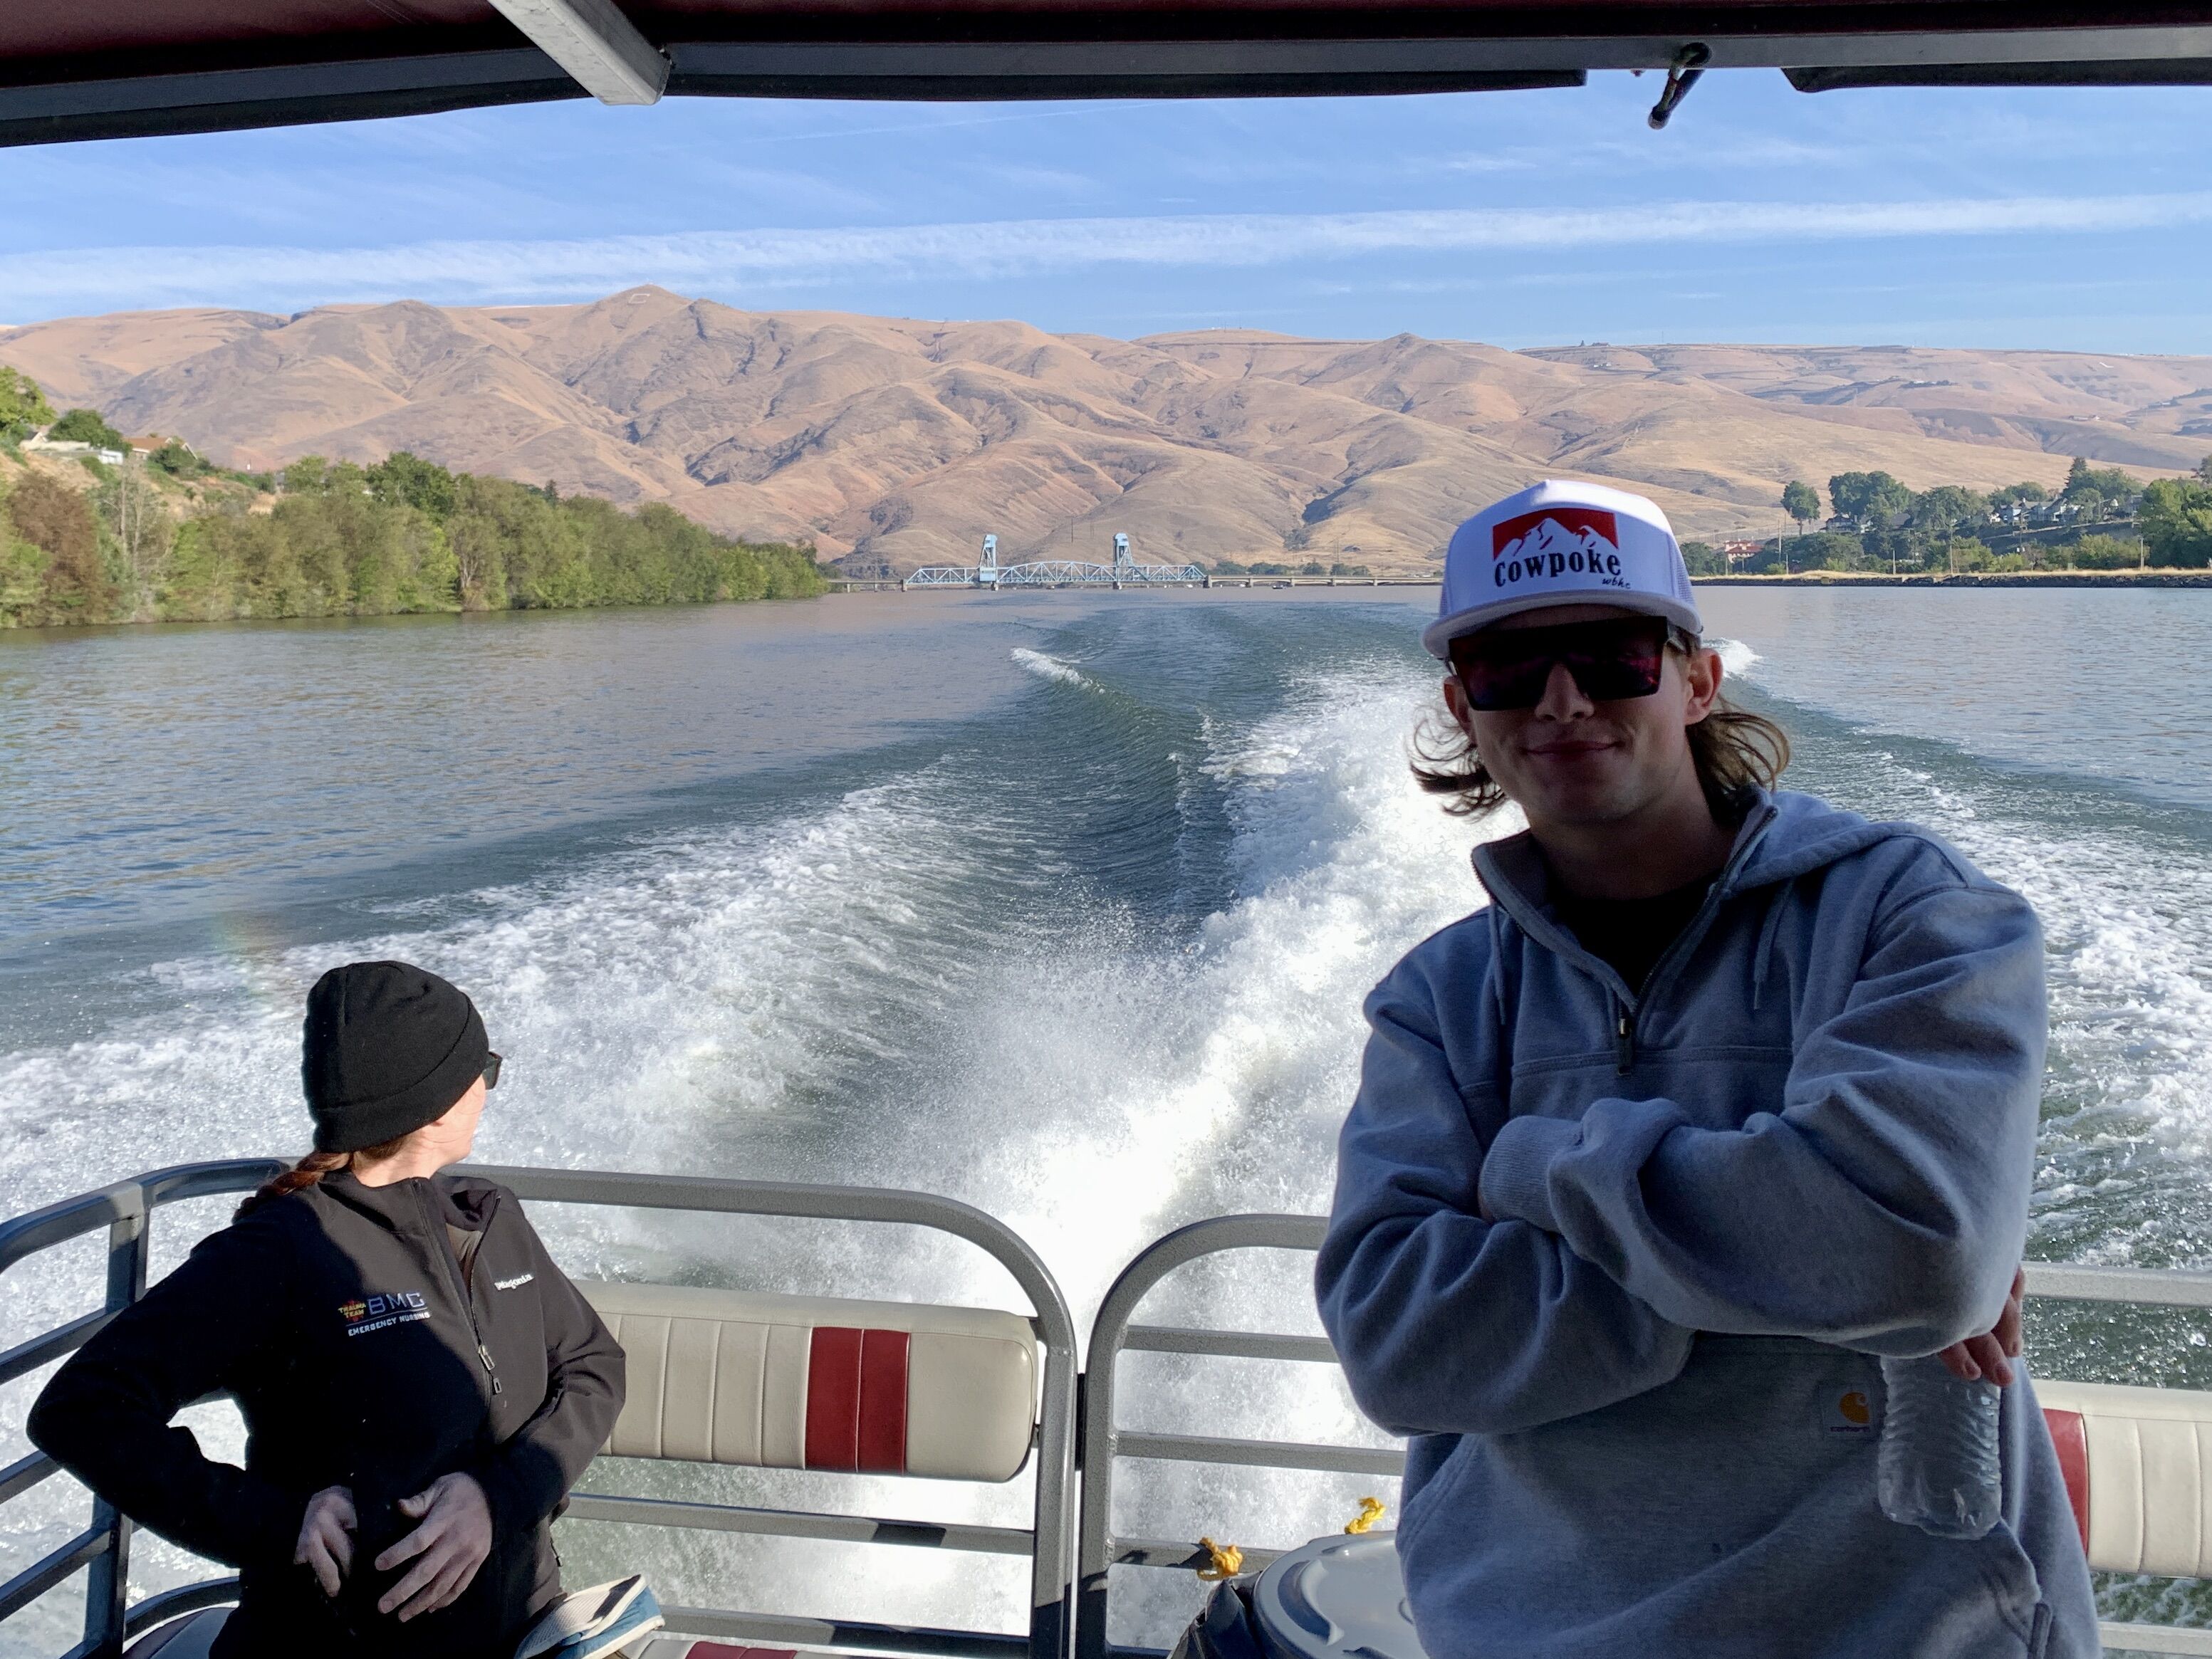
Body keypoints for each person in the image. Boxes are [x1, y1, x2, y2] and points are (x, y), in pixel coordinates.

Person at [1314, 481, 2097, 1658]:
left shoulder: (1910, 915)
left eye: (1612, 655)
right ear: (1462, 709)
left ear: (1697, 682)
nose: (1562, 699)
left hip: (1903, 1629)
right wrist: (1809, 1276)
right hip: (1535, 1630)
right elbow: (1399, 1344)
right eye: (1508, 669)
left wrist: (1530, 1173)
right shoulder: (1437, 1002)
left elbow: (1915, 1250)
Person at [31, 961, 626, 1658]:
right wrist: (277, 1522)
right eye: (484, 1068)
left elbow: (593, 1365)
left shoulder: (491, 1220)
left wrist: (500, 1496)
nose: (489, 1087)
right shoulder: (285, 1250)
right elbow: (83, 1408)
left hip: (523, 1633)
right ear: (436, 1103)